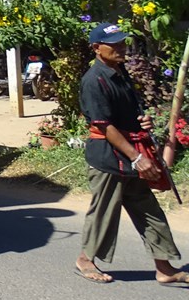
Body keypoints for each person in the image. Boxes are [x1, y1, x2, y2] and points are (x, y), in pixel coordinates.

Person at [74, 21, 187, 285]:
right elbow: (105, 126)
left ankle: (164, 268)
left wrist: (143, 122)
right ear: (96, 48)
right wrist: (138, 158)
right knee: (104, 211)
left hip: (131, 154)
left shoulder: (120, 72)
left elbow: (127, 114)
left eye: (122, 43)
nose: (121, 48)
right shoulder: (94, 80)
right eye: (114, 45)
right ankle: (85, 260)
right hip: (109, 157)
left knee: (148, 210)